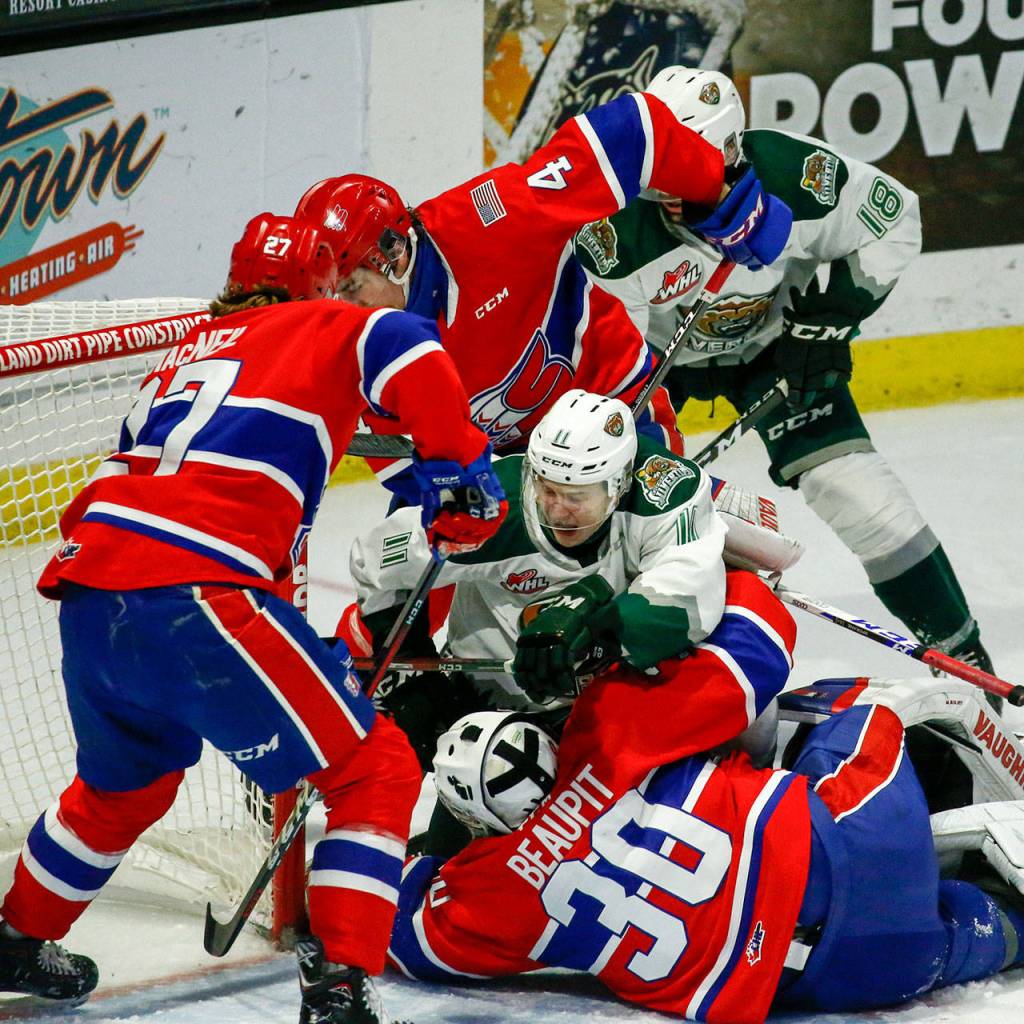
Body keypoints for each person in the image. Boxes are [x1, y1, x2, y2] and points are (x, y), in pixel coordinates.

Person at [0, 212, 508, 1024]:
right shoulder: (328, 320)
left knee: (122, 787)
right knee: (372, 768)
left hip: (91, 596)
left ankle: (17, 935)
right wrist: (461, 468)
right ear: (320, 278)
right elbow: (409, 344)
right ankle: (339, 986)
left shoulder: (178, 358)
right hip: (195, 591)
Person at [385, 612, 1024, 1022]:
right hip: (852, 834)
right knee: (864, 701)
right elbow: (760, 637)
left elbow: (384, 920)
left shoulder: (488, 896)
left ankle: (992, 916)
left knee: (983, 934)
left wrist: (379, 795)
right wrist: (626, 616)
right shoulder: (607, 726)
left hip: (839, 973)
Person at [573, 66, 993, 676]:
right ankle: (608, 654)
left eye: (686, 165)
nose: (666, 188)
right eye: (658, 164)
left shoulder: (797, 177)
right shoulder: (614, 229)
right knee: (623, 507)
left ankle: (963, 656)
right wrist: (645, 453)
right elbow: (611, 358)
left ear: (729, 149)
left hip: (778, 347)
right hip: (658, 369)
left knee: (864, 498)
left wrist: (828, 319)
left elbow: (893, 220)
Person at [342, 389, 800, 855]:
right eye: (547, 489)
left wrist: (600, 631)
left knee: (659, 835)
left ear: (619, 483)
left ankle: (756, 774)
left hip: (617, 699)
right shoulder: (486, 500)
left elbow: (687, 592)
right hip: (497, 708)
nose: (558, 509)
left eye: (577, 497)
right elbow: (375, 560)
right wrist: (408, 660)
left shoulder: (664, 490)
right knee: (470, 861)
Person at [293, 85, 794, 498]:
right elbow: (406, 465)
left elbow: (634, 129)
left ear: (396, 255)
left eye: (352, 287)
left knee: (646, 574)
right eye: (327, 294)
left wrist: (717, 192)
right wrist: (476, 497)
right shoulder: (348, 345)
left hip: (615, 416)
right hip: (508, 472)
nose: (341, 311)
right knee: (400, 581)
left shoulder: (496, 220)